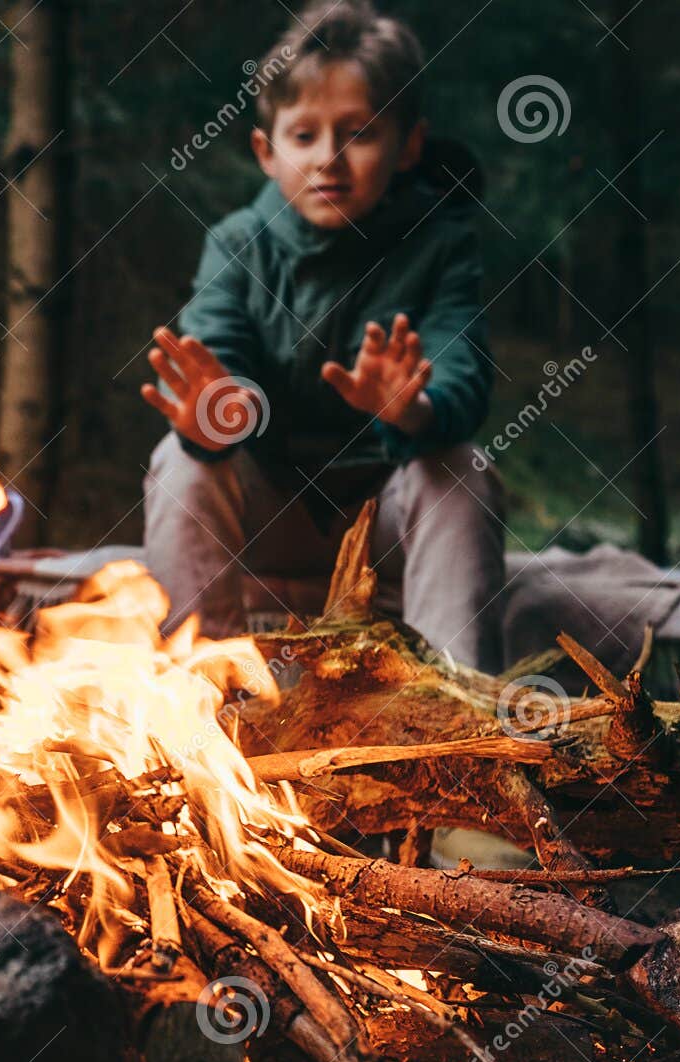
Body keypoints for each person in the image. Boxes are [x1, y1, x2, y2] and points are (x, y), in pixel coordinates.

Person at [140, 0, 504, 673]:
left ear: (408, 146)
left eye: (358, 133)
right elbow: (219, 357)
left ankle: (458, 719)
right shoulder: (236, 245)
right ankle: (201, 702)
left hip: (386, 523)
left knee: (462, 469)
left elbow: (462, 364)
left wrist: (414, 407)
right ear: (265, 152)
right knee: (181, 463)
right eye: (303, 135)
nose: (328, 159)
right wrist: (217, 414)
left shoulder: (443, 245)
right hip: (274, 517)